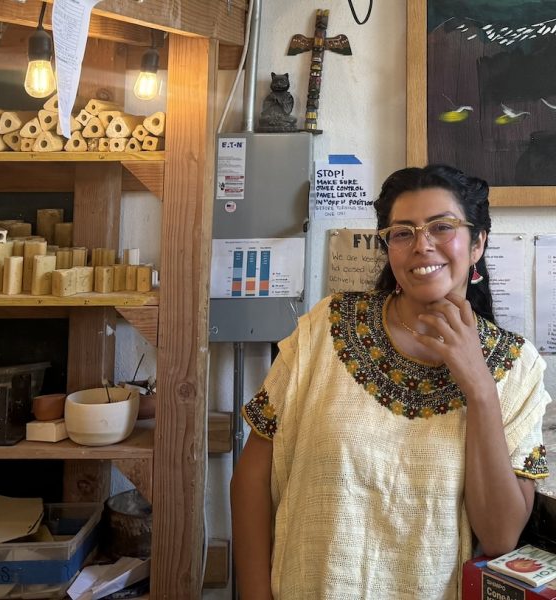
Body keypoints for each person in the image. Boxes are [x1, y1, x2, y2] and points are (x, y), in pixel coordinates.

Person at [230, 164, 551, 599]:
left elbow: (499, 537)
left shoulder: (516, 366)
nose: (422, 245)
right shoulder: (328, 327)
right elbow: (252, 475)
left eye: (442, 227)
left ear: (477, 243)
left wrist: (479, 387)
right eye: (402, 233)